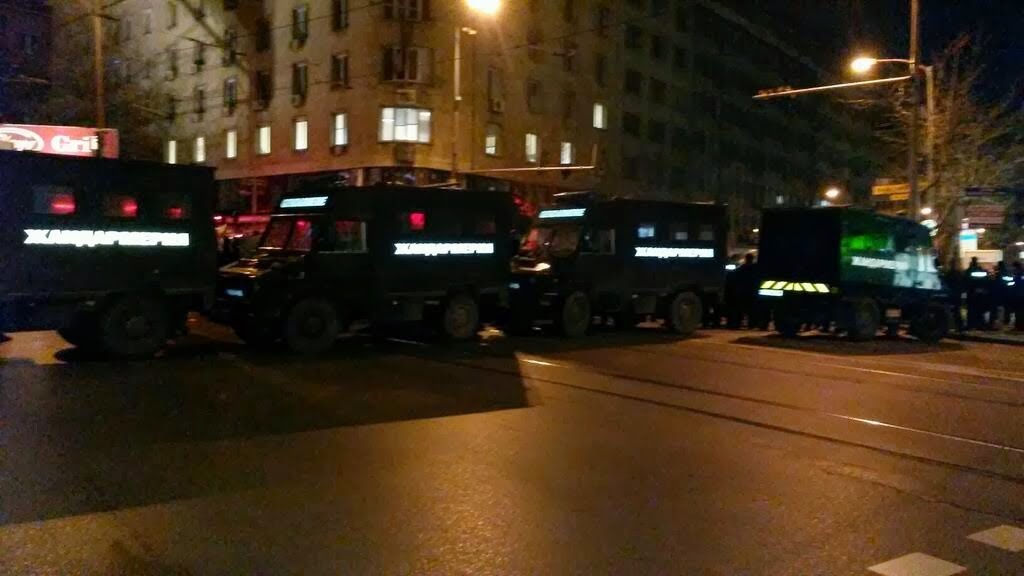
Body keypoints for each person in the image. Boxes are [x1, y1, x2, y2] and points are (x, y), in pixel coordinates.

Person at [964, 257, 989, 330]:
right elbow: (986, 281)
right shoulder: (981, 271)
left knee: (971, 309)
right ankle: (980, 324)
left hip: (972, 293)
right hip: (980, 293)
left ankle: (971, 324)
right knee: (979, 310)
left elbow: (966, 281)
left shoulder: (969, 271)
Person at [1014, 261, 1024, 332]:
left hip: (1019, 295)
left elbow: (1016, 283)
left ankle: (1019, 326)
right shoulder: (1020, 273)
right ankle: (1020, 326)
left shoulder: (1018, 273)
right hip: (1020, 294)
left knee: (1019, 311)